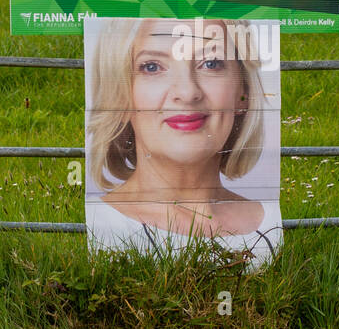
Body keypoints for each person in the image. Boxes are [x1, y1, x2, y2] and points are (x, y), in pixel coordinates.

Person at [85, 18, 281, 269]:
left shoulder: (279, 222)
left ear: (242, 94)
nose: (188, 93)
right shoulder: (88, 225)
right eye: (152, 67)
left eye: (210, 63)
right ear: (119, 96)